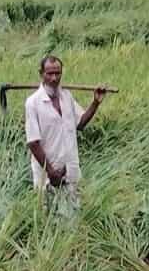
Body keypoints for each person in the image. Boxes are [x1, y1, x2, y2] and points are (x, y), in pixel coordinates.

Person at [24, 55, 108, 214]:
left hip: (70, 171)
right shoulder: (33, 103)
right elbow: (33, 143)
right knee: (49, 220)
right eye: (49, 74)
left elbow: (80, 124)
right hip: (47, 176)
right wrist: (51, 172)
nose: (54, 78)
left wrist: (95, 102)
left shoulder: (66, 97)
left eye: (57, 73)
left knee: (73, 218)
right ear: (41, 73)